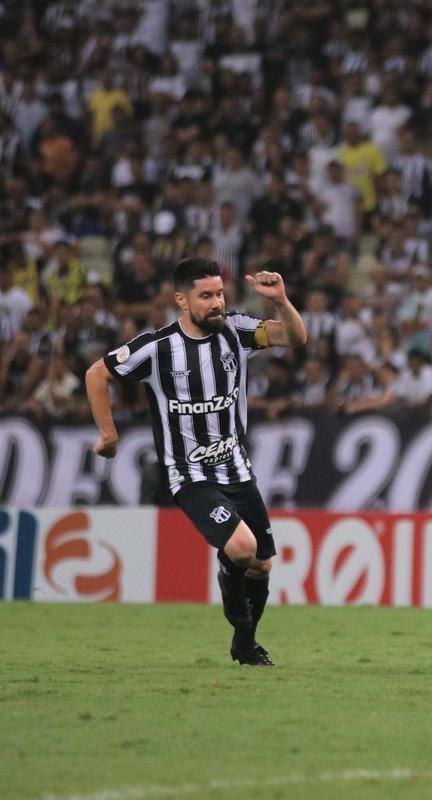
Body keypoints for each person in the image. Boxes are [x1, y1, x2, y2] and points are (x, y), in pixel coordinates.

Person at [85, 258, 308, 666]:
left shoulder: (237, 332)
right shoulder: (157, 348)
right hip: (190, 475)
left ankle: (245, 644)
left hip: (238, 470)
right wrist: (108, 434)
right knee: (242, 548)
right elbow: (97, 373)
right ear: (182, 300)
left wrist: (280, 301)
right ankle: (229, 574)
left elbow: (294, 337)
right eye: (206, 296)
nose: (217, 303)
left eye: (220, 293)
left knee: (262, 564)